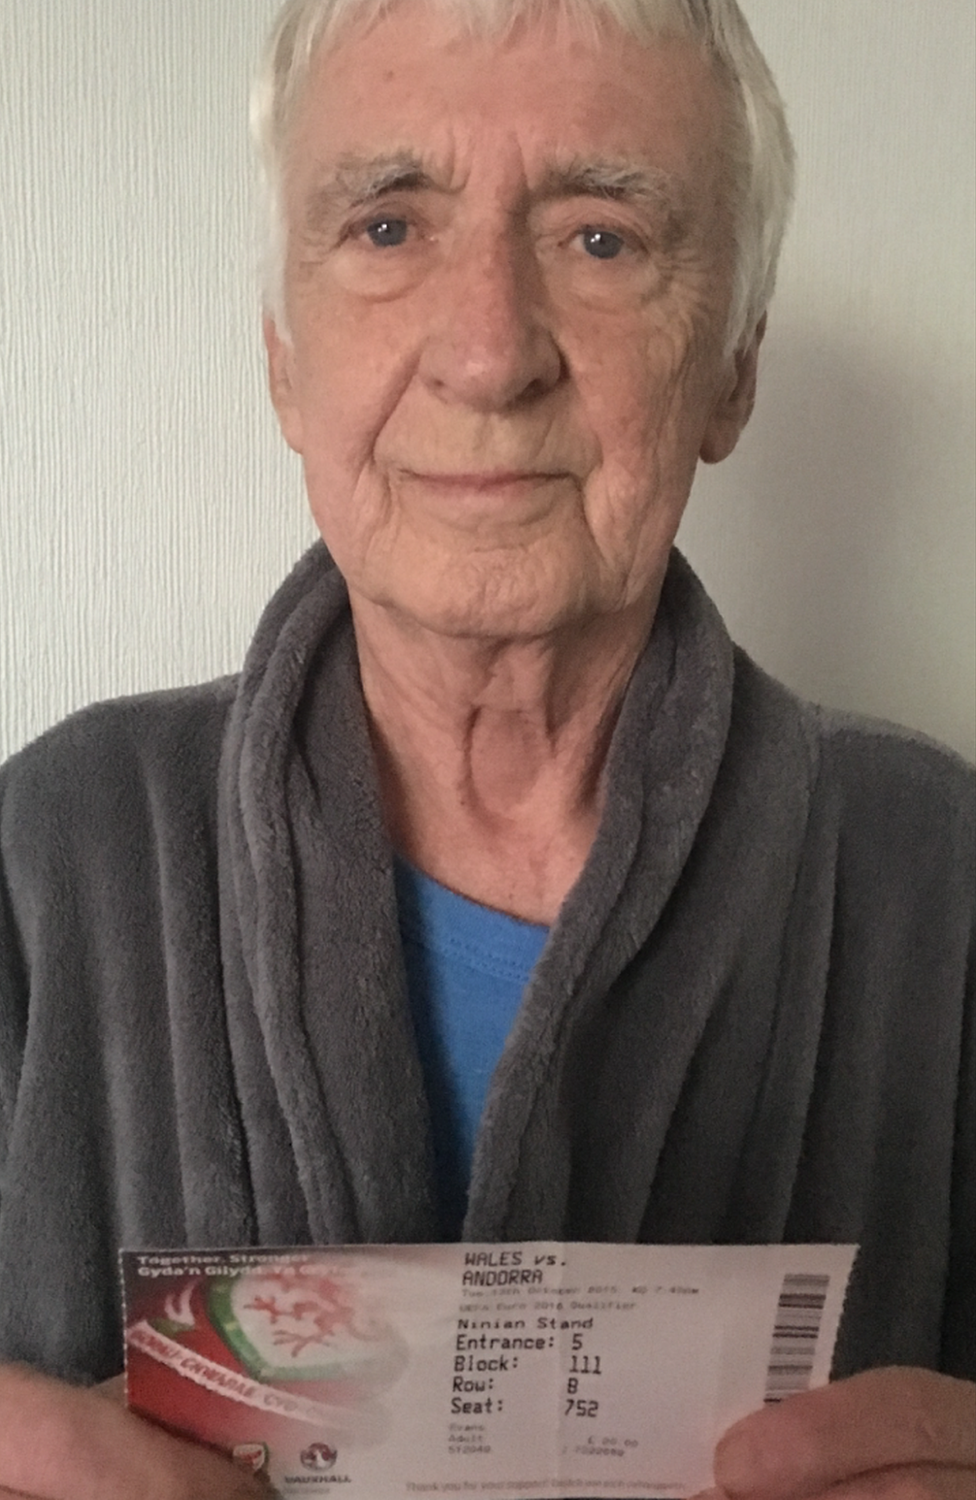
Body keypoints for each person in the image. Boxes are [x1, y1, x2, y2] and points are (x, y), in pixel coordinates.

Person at [0, 0, 972, 1494]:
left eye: (602, 239)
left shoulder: (943, 879)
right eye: (388, 227)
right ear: (283, 360)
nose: (489, 353)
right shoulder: (50, 844)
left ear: (731, 369)